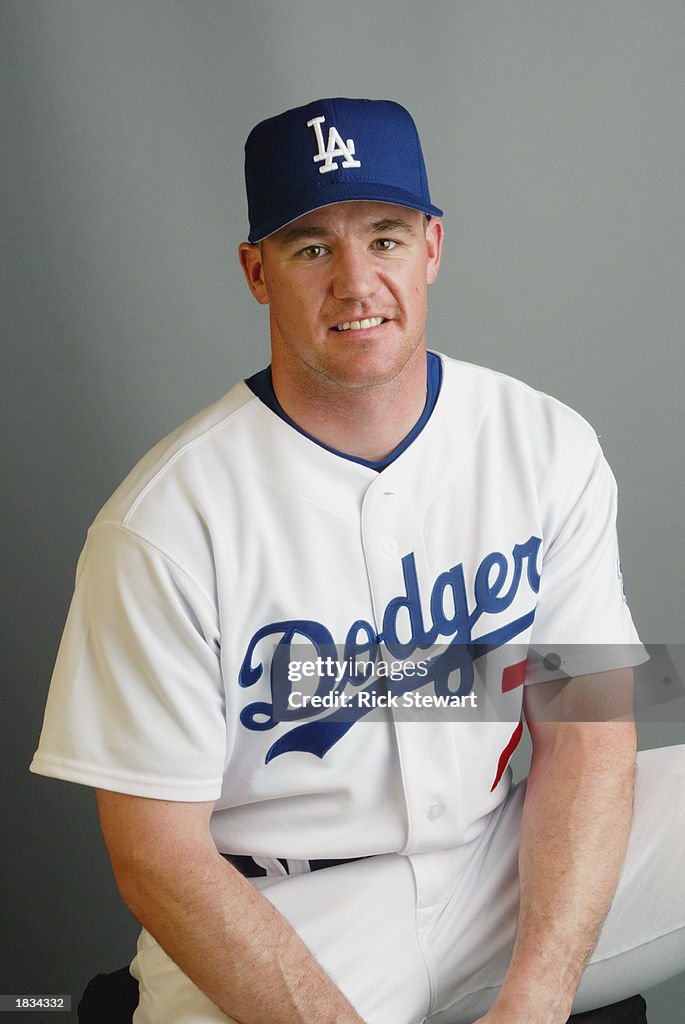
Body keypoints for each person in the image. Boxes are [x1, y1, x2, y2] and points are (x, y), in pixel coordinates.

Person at [31, 98, 684, 1024]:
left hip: (497, 861)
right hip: (283, 915)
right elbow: (156, 856)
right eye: (310, 248)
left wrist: (536, 997)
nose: (355, 281)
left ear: (432, 249)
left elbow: (584, 722)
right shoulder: (163, 521)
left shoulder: (544, 443)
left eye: (383, 237)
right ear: (257, 272)